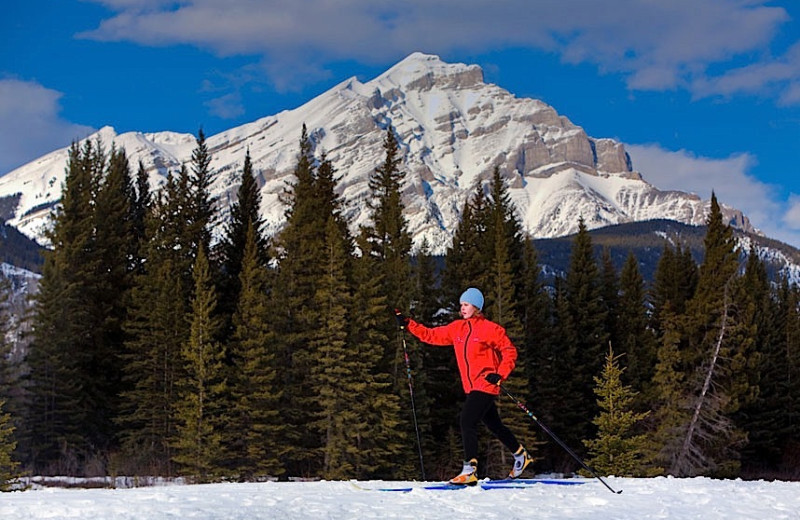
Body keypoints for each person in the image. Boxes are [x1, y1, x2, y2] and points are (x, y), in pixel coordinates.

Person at [395, 287, 532, 485]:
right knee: (494, 424)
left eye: (466, 304)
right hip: (472, 387)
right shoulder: (457, 328)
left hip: (485, 383)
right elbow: (431, 335)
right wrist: (409, 324)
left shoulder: (490, 329)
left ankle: (470, 470)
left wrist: (500, 374)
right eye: (461, 305)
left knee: (467, 421)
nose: (462, 308)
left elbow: (509, 350)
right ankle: (521, 455)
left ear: (477, 307)